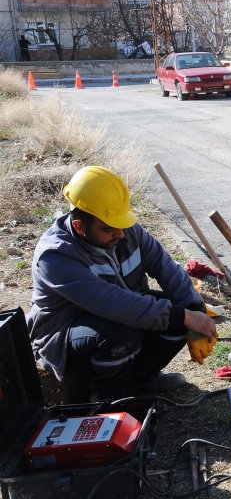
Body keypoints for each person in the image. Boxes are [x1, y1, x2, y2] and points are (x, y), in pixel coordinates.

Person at [26, 166, 218, 403]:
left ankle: (142, 380)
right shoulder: (56, 256)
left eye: (121, 224)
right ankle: (110, 400)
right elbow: (114, 304)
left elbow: (166, 267)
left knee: (174, 311)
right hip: (67, 338)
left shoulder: (127, 231)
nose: (120, 234)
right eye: (108, 228)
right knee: (123, 330)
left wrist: (195, 311)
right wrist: (183, 317)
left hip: (117, 318)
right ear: (79, 226)